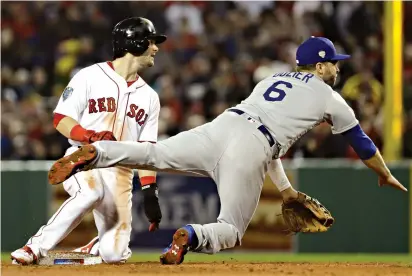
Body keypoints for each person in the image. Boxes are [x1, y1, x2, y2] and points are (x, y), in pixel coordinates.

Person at [48, 36, 408, 265]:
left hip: (223, 126)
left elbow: (272, 146)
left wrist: (285, 191)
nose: (337, 67)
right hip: (251, 147)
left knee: (153, 154)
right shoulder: (330, 97)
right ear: (319, 65)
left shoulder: (273, 78)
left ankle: (98, 154)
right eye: (333, 62)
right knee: (232, 229)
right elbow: (362, 143)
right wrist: (386, 174)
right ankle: (189, 235)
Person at [11, 17, 165, 265]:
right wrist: (89, 136)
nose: (155, 48)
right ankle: (34, 248)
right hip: (84, 160)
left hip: (121, 172)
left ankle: (98, 244)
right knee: (90, 193)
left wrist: (150, 192)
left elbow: (147, 150)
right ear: (133, 43)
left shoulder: (149, 97)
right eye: (151, 42)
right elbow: (61, 119)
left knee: (115, 256)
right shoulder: (90, 76)